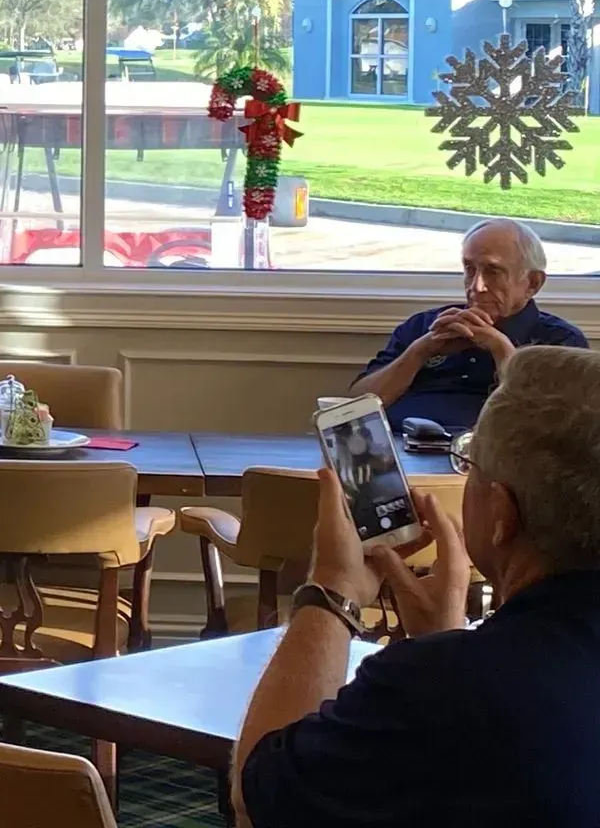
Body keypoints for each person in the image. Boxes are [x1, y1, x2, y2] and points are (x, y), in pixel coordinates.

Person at [236, 345, 600, 826]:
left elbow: (260, 796)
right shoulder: (453, 682)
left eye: (468, 464)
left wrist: (331, 591)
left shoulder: (440, 685)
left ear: (501, 516)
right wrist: (443, 641)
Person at [350, 217, 585, 431]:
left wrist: (502, 351)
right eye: (470, 269)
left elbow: (553, 432)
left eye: (493, 271)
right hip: (396, 451)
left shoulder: (560, 343)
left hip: (489, 460)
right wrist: (420, 352)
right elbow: (353, 409)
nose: (476, 286)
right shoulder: (424, 325)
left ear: (533, 283)